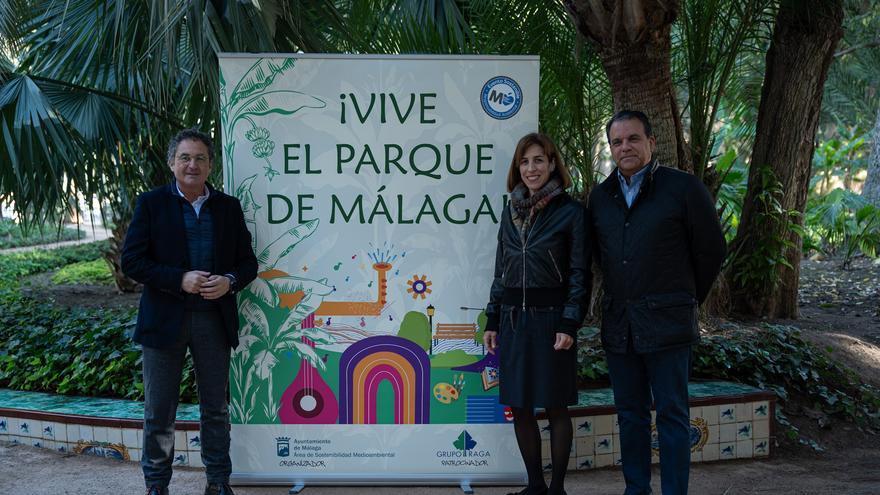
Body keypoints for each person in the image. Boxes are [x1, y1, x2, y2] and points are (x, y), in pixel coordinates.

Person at [588, 110, 726, 494]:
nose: (625, 147)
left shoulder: (683, 188)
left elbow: (711, 250)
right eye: (617, 142)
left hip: (668, 325)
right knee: (630, 415)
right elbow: (602, 257)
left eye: (633, 139)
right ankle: (637, 489)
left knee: (672, 415)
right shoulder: (600, 197)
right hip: (620, 326)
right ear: (611, 148)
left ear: (651, 142)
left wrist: (683, 297)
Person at [122, 128, 257, 495]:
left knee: (215, 407)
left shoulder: (228, 207)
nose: (192, 165)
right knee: (159, 411)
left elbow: (248, 263)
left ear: (210, 165)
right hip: (164, 319)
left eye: (200, 158)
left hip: (213, 319)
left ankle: (217, 483)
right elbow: (131, 261)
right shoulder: (151, 204)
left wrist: (230, 280)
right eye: (185, 157)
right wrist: (178, 278)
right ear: (172, 163)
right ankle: (156, 486)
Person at [483, 133, 590, 495]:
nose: (532, 168)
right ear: (518, 168)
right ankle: (535, 486)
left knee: (556, 406)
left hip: (552, 320)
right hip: (514, 319)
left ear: (553, 164)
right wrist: (493, 318)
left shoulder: (571, 212)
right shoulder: (509, 211)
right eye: (525, 162)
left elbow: (579, 274)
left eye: (539, 161)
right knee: (521, 404)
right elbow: (502, 268)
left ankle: (557, 489)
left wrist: (569, 323)